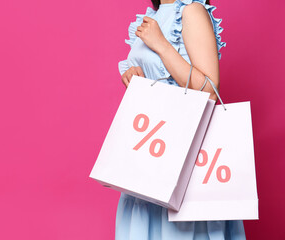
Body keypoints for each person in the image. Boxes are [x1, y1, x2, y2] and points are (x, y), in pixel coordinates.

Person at [115, 0, 246, 239]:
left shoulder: (191, 10)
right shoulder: (155, 14)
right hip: (151, 150)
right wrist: (136, 78)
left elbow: (209, 89)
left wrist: (162, 46)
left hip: (181, 152)